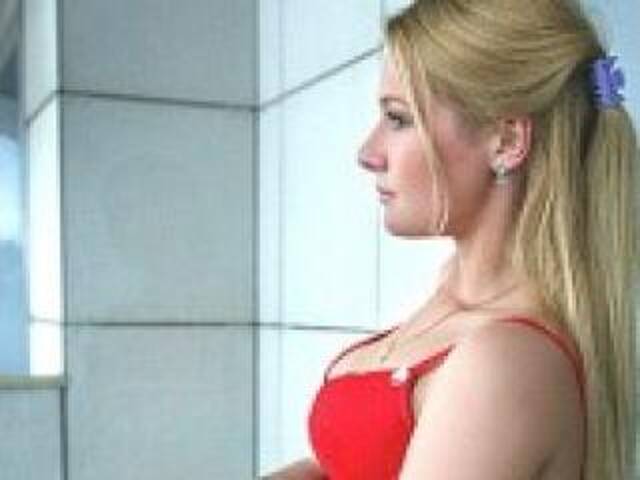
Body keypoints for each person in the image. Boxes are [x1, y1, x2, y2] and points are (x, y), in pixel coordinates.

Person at [264, 0, 638, 478]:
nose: (368, 153)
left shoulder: (507, 362)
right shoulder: (456, 305)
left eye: (398, 119)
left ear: (507, 141)